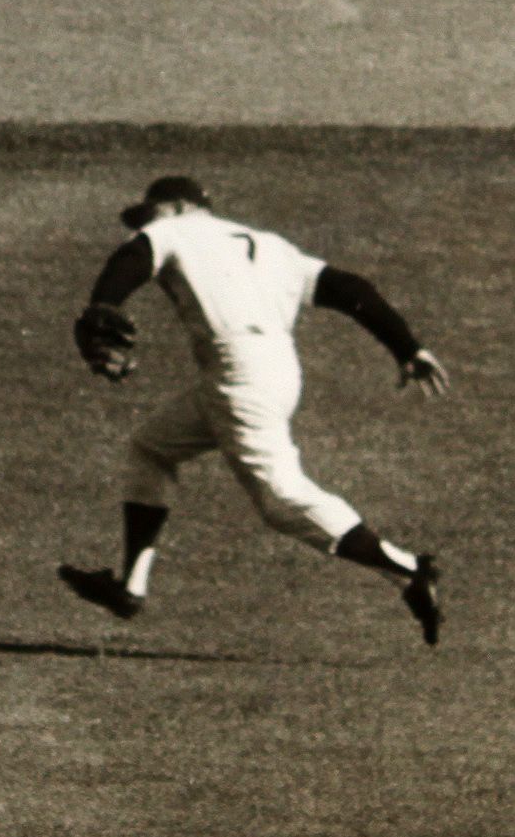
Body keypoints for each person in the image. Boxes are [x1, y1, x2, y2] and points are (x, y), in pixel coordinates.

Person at [64, 176, 451, 644]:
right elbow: (352, 288)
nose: (144, 222)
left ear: (182, 205)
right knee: (151, 449)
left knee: (281, 499)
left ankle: (409, 567)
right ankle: (130, 585)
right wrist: (408, 348)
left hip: (239, 375)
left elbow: (132, 259)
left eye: (151, 211)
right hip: (270, 370)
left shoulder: (173, 230)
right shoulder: (272, 246)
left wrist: (104, 303)